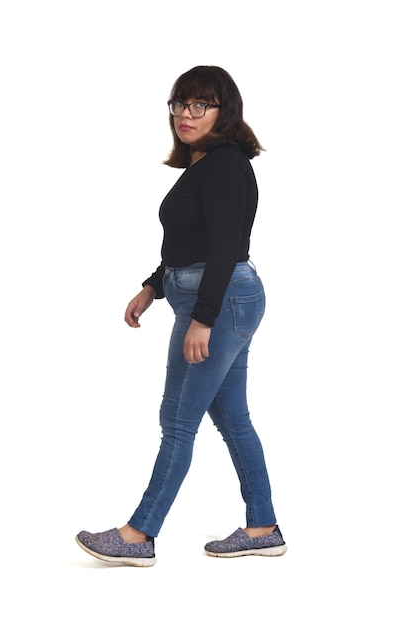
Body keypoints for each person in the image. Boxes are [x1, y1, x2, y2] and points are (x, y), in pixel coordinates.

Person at [76, 65, 287, 567]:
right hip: (213, 298)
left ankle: (138, 534)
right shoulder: (204, 165)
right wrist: (153, 287)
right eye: (179, 104)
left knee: (178, 420)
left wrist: (204, 318)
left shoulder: (225, 165)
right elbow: (188, 242)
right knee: (232, 417)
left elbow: (224, 249)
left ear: (224, 111)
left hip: (220, 302)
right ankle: (263, 526)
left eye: (201, 105)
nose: (186, 116)